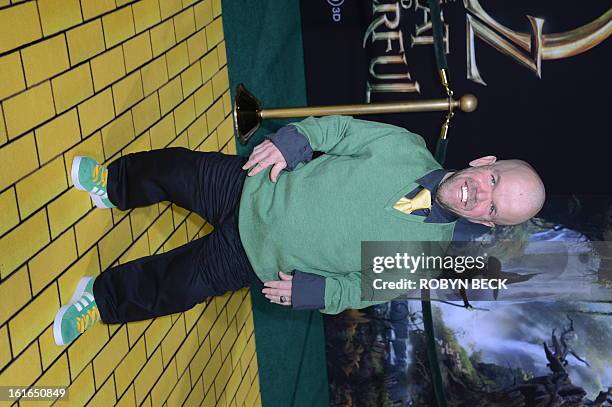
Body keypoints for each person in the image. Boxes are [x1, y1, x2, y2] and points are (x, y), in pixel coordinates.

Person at [53, 115, 545, 345]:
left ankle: (100, 300)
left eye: (494, 210)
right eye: (492, 181)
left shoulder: (420, 259)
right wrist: (296, 141)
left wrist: (317, 293)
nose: (480, 196)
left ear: (485, 223)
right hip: (253, 185)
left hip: (257, 258)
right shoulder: (406, 148)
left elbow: (356, 288)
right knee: (174, 169)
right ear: (484, 161)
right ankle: (113, 185)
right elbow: (344, 132)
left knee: (174, 287)